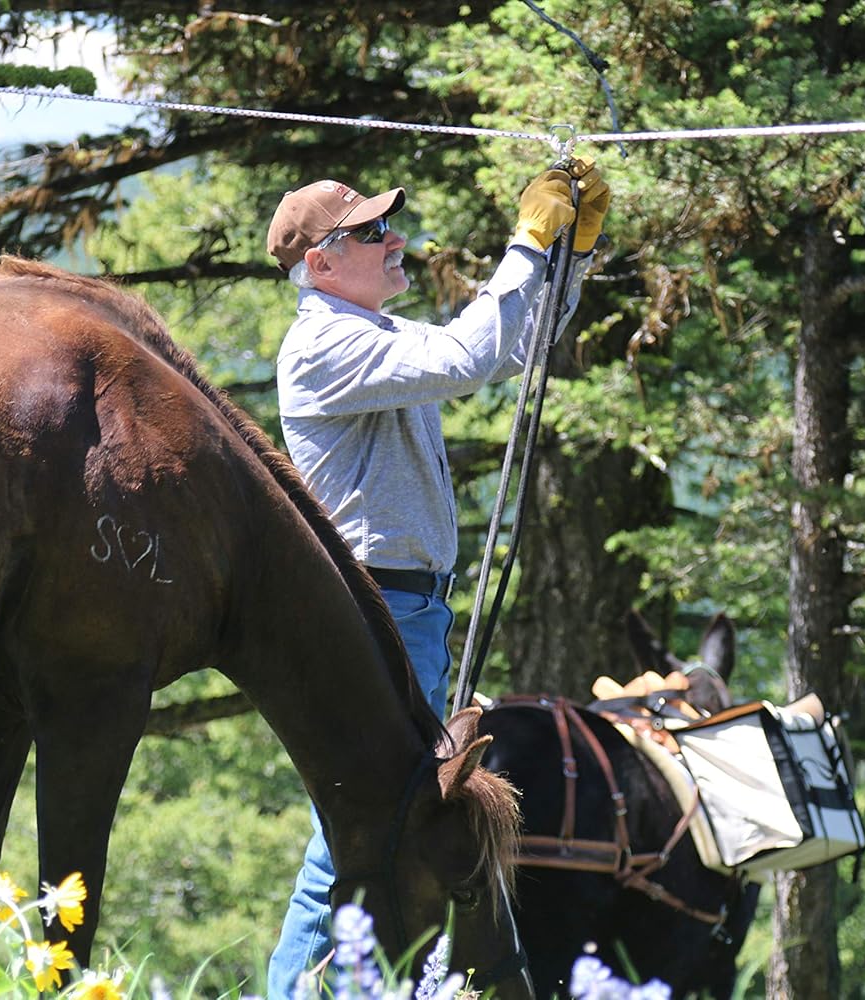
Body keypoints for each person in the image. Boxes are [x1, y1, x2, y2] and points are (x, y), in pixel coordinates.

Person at [264, 161, 610, 996]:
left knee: (366, 823)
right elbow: (470, 354)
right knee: (358, 826)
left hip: (398, 612)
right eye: (373, 232)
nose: (395, 241)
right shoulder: (326, 343)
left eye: (388, 227)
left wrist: (571, 257)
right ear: (321, 262)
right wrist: (528, 242)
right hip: (376, 609)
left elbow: (510, 344)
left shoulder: (371, 335)